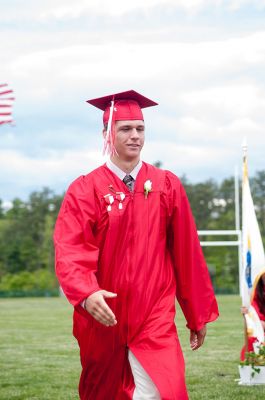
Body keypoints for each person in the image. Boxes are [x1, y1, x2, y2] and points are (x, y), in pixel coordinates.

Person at [54, 90, 219, 400]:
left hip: (153, 311)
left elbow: (187, 252)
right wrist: (86, 293)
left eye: (140, 129)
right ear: (106, 134)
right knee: (103, 392)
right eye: (125, 129)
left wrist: (196, 312)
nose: (134, 136)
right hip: (105, 314)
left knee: (163, 388)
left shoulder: (166, 185)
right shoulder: (86, 189)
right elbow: (71, 249)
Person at [241, 270, 265, 359]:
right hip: (261, 323)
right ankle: (252, 364)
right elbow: (253, 308)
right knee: (254, 336)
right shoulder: (256, 289)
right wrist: (247, 313)